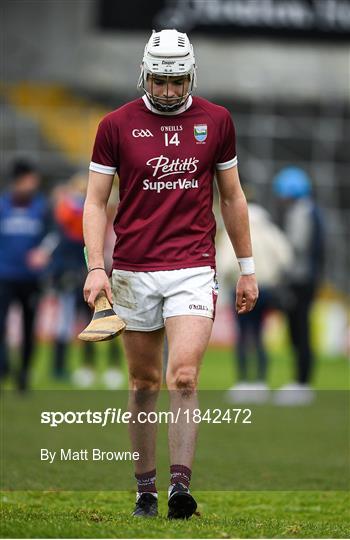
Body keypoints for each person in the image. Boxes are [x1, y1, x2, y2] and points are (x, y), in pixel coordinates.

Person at [83, 29, 258, 519]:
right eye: (159, 81)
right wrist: (96, 266)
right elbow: (96, 202)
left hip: (193, 266)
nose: (167, 91)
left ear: (191, 76)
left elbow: (232, 197)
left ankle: (180, 489)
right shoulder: (115, 125)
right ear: (144, 74)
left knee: (184, 376)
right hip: (134, 270)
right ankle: (145, 491)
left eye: (177, 82)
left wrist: (246, 269)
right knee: (144, 384)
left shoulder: (217, 121)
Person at [218, 195, 293, 403]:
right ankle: (261, 382)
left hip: (241, 289)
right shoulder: (269, 229)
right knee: (259, 335)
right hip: (265, 289)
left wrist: (227, 284)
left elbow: (225, 264)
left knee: (242, 335)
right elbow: (286, 256)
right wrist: (273, 277)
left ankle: (243, 382)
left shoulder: (234, 228)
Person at [273, 166, 325, 405]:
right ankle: (301, 381)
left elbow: (295, 247)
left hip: (300, 281)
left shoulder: (301, 212)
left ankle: (301, 383)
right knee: (300, 330)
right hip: (307, 280)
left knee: (299, 331)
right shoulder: (311, 210)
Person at [0, 159, 50, 391]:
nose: (33, 185)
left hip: (31, 279)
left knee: (30, 328)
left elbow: (53, 237)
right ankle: (4, 366)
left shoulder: (41, 208)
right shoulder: (2, 206)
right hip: (4, 277)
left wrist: (44, 251)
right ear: (18, 181)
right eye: (30, 180)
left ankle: (24, 375)